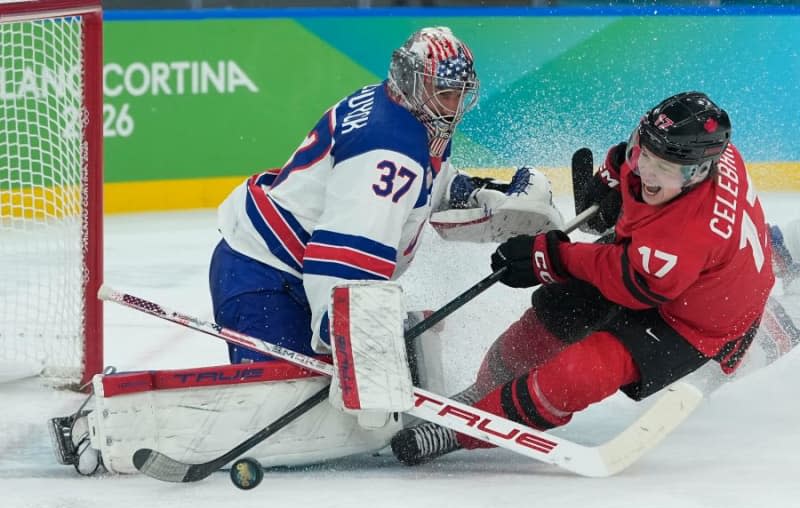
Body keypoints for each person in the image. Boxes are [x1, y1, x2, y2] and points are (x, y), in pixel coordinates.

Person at [49, 26, 565, 476]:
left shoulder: (405, 114)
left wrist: (484, 197)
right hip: (264, 277)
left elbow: (425, 187)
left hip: (282, 268)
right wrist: (348, 346)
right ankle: (107, 422)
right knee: (278, 407)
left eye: (458, 92)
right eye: (445, 91)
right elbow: (344, 253)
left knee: (319, 393)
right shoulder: (390, 145)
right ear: (415, 82)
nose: (454, 105)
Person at [391, 91, 778, 465]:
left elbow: (631, 282)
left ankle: (456, 432)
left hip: (693, 323)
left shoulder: (688, 232)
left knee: (581, 373)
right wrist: (610, 178)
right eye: (643, 156)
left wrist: (550, 257)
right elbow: (634, 158)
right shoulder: (683, 153)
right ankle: (482, 391)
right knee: (554, 315)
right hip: (679, 273)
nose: (649, 175)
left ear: (699, 172)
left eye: (665, 170)